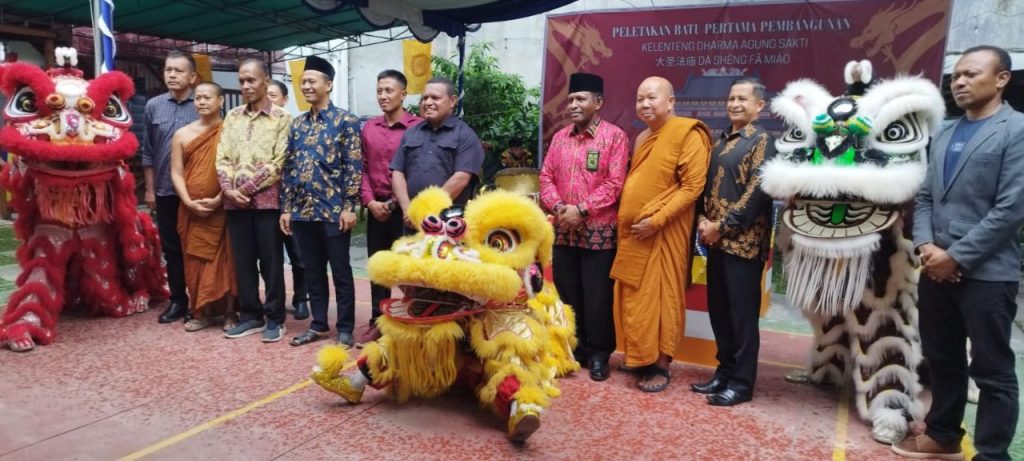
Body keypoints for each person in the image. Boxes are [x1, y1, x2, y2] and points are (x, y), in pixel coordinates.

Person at [896, 45, 1024, 461]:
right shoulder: (946, 131)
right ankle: (943, 435)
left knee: (992, 371)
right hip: (936, 268)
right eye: (955, 76)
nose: (961, 82)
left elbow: (1011, 209)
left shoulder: (1017, 130)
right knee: (942, 358)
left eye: (971, 74)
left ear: (1002, 78)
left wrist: (957, 257)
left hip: (988, 274)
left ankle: (991, 453)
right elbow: (928, 198)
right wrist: (927, 247)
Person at [610, 76, 711, 392]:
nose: (644, 104)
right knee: (636, 296)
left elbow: (692, 187)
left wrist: (657, 219)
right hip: (635, 234)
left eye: (652, 97)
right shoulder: (642, 138)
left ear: (671, 101)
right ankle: (641, 356)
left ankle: (662, 364)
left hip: (664, 232)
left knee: (663, 295)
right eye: (640, 98)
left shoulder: (688, 132)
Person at [539, 72, 629, 382]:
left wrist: (582, 209)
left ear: (598, 102)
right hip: (564, 230)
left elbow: (615, 183)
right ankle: (574, 349)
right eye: (571, 100)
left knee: (597, 297)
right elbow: (546, 177)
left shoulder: (614, 137)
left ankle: (600, 353)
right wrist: (561, 208)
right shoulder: (560, 138)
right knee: (568, 294)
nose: (573, 105)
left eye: (581, 99)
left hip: (599, 234)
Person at [692, 77, 776, 406]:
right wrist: (701, 220)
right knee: (720, 313)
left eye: (742, 99)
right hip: (716, 243)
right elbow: (704, 186)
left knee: (742, 317)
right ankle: (724, 372)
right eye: (731, 98)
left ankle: (741, 384)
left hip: (743, 244)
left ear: (759, 106)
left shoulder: (763, 141)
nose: (734, 104)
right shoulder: (721, 141)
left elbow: (757, 192)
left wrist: (721, 226)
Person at [281, 56, 363, 348]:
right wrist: (287, 208)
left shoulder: (346, 121)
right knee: (312, 269)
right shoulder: (298, 124)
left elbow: (353, 165)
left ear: (328, 85)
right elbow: (289, 168)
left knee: (340, 270)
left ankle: (345, 329)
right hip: (303, 211)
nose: (306, 86)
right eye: (303, 82)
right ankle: (318, 324)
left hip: (333, 211)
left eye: (311, 81)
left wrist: (350, 206)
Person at [216, 58, 291, 342]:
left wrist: (245, 188)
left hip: (267, 202)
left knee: (271, 263)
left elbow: (279, 161)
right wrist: (228, 188)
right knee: (243, 261)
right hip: (234, 202)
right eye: (242, 81)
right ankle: (250, 315)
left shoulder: (282, 118)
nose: (246, 86)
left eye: (252, 80)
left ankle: (275, 318)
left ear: (266, 81)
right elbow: (222, 156)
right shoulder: (232, 116)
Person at [356, 69, 422, 346]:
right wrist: (370, 202)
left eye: (389, 90)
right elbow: (361, 168)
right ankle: (378, 321)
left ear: (403, 94)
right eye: (379, 90)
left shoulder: (417, 127)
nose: (383, 96)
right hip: (376, 208)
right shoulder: (370, 127)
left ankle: (412, 320)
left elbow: (418, 169)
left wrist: (398, 203)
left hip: (407, 208)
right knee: (378, 268)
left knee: (410, 269)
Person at [168, 82, 237, 332]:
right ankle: (202, 312)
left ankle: (231, 312)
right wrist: (187, 201)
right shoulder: (182, 134)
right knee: (195, 261)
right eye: (198, 98)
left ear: (220, 101)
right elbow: (176, 173)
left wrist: (220, 197)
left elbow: (237, 167)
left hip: (224, 207)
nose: (202, 102)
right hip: (191, 210)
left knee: (228, 262)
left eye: (208, 97)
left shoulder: (230, 130)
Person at [141, 50, 198, 324]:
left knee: (196, 248)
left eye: (178, 71)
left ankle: (200, 301)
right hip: (164, 191)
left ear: (193, 77)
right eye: (168, 70)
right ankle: (177, 300)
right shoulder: (153, 106)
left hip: (197, 194)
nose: (172, 75)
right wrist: (150, 189)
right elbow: (148, 152)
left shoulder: (202, 105)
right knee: (172, 249)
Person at [391, 76, 485, 220]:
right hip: (411, 220)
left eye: (435, 98)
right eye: (424, 98)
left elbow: (461, 178)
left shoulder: (465, 135)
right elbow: (398, 172)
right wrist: (407, 209)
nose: (428, 102)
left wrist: (428, 210)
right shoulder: (411, 133)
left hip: (449, 222)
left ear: (452, 101)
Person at [267, 79, 311, 321]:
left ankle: (301, 298)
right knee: (269, 257)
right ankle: (275, 301)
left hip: (293, 202)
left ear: (285, 100)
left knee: (299, 255)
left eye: (273, 95)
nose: (268, 100)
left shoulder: (296, 127)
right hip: (264, 202)